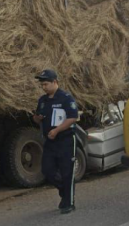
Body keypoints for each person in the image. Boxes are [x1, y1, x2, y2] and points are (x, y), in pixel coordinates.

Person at [33, 69, 78, 214]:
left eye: (46, 84)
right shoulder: (43, 100)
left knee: (67, 172)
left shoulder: (66, 98)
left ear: (55, 82)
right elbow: (36, 117)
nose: (44, 87)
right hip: (50, 142)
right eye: (42, 85)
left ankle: (69, 203)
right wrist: (37, 118)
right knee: (48, 170)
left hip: (65, 139)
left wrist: (57, 130)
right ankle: (64, 191)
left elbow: (73, 117)